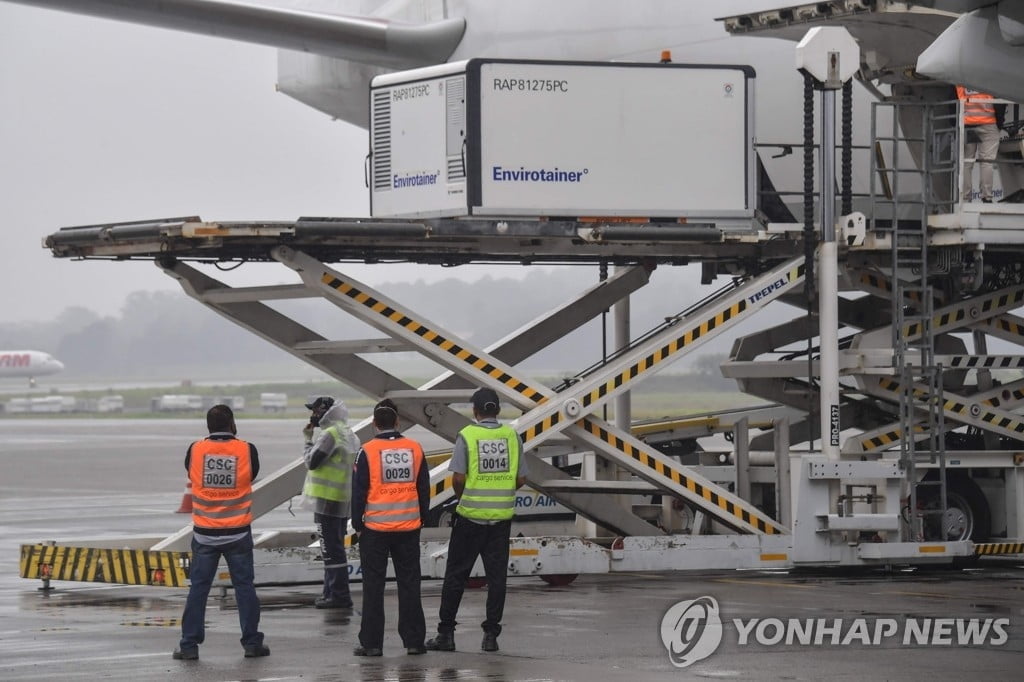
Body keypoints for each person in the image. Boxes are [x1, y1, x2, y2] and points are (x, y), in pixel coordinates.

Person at [426, 387, 528, 653]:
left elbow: (458, 478)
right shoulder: (512, 437)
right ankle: (491, 636)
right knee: (497, 579)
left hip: (470, 517)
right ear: (497, 410)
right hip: (501, 520)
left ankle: (446, 634)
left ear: (475, 410)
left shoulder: (468, 436)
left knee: (456, 576)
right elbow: (520, 478)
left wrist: (465, 498)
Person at [174, 404, 269, 660]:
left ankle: (189, 645)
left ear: (208, 426)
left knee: (199, 589)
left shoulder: (195, 449)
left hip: (205, 532)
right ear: (233, 424)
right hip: (237, 531)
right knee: (244, 587)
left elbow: (190, 473)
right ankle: (252, 643)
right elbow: (251, 476)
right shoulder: (247, 449)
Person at [350, 399, 430, 657]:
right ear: (397, 422)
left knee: (373, 586)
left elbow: (359, 491)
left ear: (374, 425)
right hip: (408, 528)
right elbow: (424, 489)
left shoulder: (367, 451)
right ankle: (415, 641)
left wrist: (356, 523)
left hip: (376, 529)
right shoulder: (415, 448)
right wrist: (421, 519)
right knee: (409, 584)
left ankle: (372, 644)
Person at [302, 395, 360, 609]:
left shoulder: (330, 435)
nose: (313, 416)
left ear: (325, 412)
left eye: (316, 411)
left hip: (327, 501)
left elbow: (312, 462)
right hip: (341, 500)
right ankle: (331, 592)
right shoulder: (347, 432)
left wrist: (308, 439)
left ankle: (338, 595)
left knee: (330, 550)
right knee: (335, 548)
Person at [957, 84, 1005, 203]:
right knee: (987, 162)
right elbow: (1000, 97)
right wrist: (999, 122)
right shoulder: (986, 74)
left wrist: (956, 122)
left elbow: (953, 98)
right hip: (989, 122)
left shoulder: (960, 75)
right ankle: (986, 197)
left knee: (966, 163)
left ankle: (965, 198)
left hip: (967, 123)